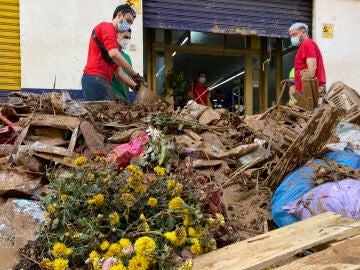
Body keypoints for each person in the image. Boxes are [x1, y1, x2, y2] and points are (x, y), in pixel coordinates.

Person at [82, 4, 145, 101]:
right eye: (128, 21)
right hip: (94, 78)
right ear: (119, 15)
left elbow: (119, 73)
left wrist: (136, 87)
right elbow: (114, 54)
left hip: (102, 80)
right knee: (101, 114)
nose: (128, 25)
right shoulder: (106, 27)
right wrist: (134, 74)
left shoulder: (113, 42)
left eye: (131, 23)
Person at [289, 22, 326, 97]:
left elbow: (312, 68)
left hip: (308, 89)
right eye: (291, 36)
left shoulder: (307, 43)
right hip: (306, 88)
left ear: (304, 32)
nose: (292, 38)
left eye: (295, 34)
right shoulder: (304, 45)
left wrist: (307, 91)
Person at [111, 29, 133, 102]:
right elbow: (119, 73)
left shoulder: (127, 58)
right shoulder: (111, 54)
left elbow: (130, 78)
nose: (127, 41)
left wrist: (139, 88)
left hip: (125, 99)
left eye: (129, 38)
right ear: (117, 35)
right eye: (125, 37)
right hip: (112, 98)